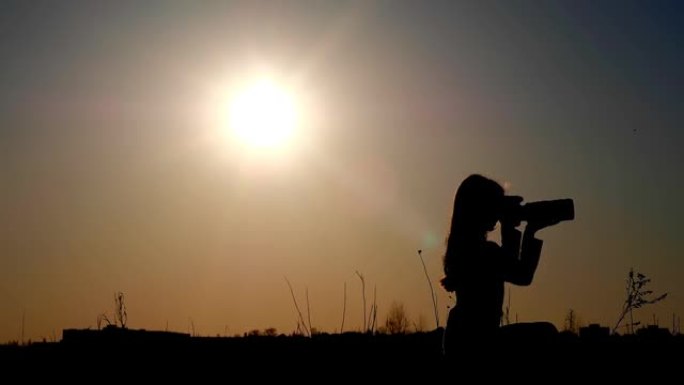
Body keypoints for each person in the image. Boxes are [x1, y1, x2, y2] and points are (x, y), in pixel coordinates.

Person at [441, 174, 557, 356]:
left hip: (461, 338)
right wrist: (530, 230)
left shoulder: (462, 248)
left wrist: (509, 226)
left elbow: (509, 263)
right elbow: (522, 274)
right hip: (478, 341)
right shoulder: (484, 252)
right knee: (546, 333)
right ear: (480, 209)